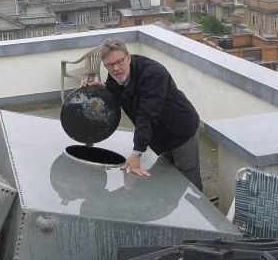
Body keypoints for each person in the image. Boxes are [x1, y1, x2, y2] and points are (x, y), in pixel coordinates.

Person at [82, 37, 203, 190]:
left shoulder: (153, 74)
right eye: (110, 65)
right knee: (170, 175)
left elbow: (147, 115)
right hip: (161, 134)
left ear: (129, 57)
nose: (116, 68)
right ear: (105, 65)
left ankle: (199, 211)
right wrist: (101, 88)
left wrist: (136, 153)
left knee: (188, 177)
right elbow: (116, 93)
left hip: (181, 129)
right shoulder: (115, 76)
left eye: (120, 61)